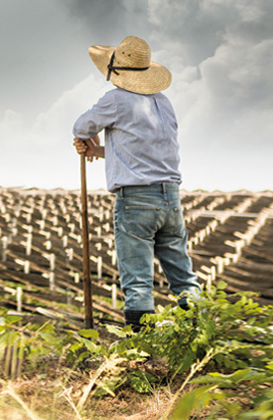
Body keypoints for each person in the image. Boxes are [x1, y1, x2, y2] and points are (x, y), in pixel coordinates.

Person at [71, 35, 200, 331]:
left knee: (138, 282)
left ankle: (141, 351)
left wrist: (87, 139)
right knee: (183, 277)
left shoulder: (116, 99)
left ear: (115, 73)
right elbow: (144, 149)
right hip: (170, 197)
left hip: (136, 200)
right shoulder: (163, 103)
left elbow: (81, 126)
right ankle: (200, 336)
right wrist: (99, 150)